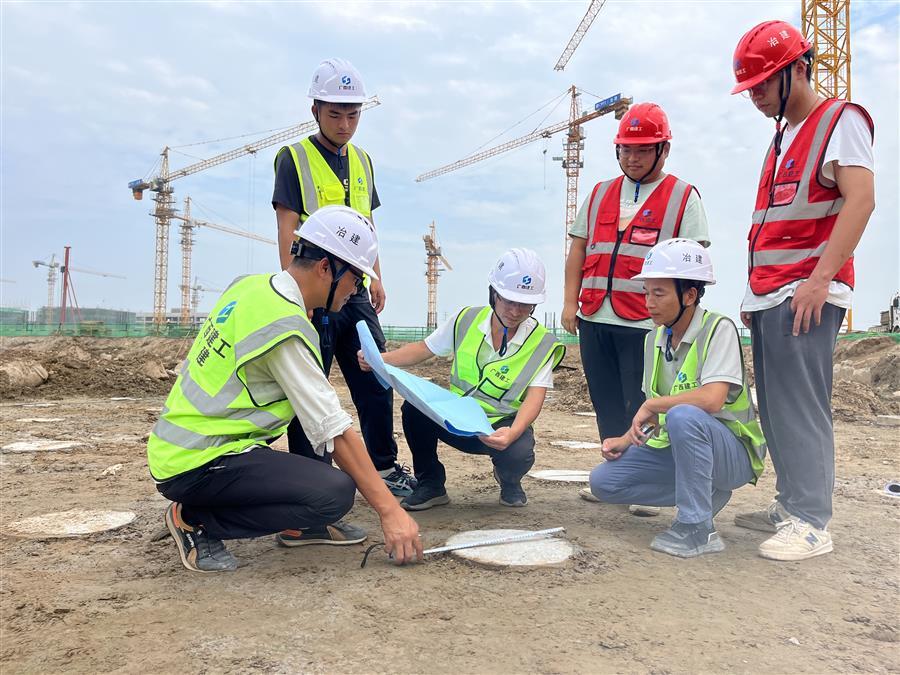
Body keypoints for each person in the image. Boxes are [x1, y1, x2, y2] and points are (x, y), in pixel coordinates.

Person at [147, 206, 422, 573]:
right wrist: (390, 512)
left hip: (185, 449)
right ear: (325, 267)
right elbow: (334, 429)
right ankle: (194, 520)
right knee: (333, 494)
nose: (356, 290)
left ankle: (289, 524)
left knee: (317, 484)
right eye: (355, 278)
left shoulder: (251, 286)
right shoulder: (283, 328)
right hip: (200, 461)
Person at [730, 21, 875, 561]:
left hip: (806, 291)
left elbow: (861, 200)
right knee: (775, 408)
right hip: (772, 293)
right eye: (750, 88)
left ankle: (812, 521)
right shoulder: (782, 137)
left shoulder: (840, 121)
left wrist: (819, 280)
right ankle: (790, 504)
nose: (756, 96)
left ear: (798, 68)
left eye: (764, 83)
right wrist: (753, 296)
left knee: (801, 406)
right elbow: (772, 224)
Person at [271, 58, 415, 498]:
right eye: (335, 114)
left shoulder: (363, 161)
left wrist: (377, 277)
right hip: (315, 290)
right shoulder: (293, 158)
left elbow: (367, 226)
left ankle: (383, 466)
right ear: (315, 110)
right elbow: (287, 228)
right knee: (309, 384)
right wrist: (297, 297)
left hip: (355, 291)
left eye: (353, 115)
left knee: (375, 377)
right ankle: (311, 476)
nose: (345, 125)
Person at [589, 239, 767, 558]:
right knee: (604, 482)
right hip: (683, 449)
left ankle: (698, 527)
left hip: (733, 454)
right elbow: (659, 416)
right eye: (646, 293)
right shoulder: (653, 341)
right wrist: (626, 440)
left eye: (659, 294)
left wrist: (651, 405)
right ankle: (704, 494)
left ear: (690, 295)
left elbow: (712, 400)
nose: (649, 303)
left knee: (683, 414)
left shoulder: (718, 329)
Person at [359, 249, 566, 510]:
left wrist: (513, 432)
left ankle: (509, 481)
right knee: (414, 409)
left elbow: (535, 397)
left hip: (500, 427)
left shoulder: (543, 343)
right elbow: (424, 349)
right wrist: (381, 359)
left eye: (525, 305)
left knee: (520, 452)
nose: (515, 311)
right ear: (493, 293)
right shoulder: (466, 319)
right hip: (458, 419)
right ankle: (431, 484)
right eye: (509, 301)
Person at [562, 102, 710, 457]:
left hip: (647, 324)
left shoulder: (683, 197)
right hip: (595, 319)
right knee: (606, 404)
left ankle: (644, 471)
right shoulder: (599, 193)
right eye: (626, 149)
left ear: (664, 149)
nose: (632, 158)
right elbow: (578, 250)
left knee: (642, 404)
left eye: (643, 150)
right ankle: (617, 470)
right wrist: (569, 303)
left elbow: (694, 266)